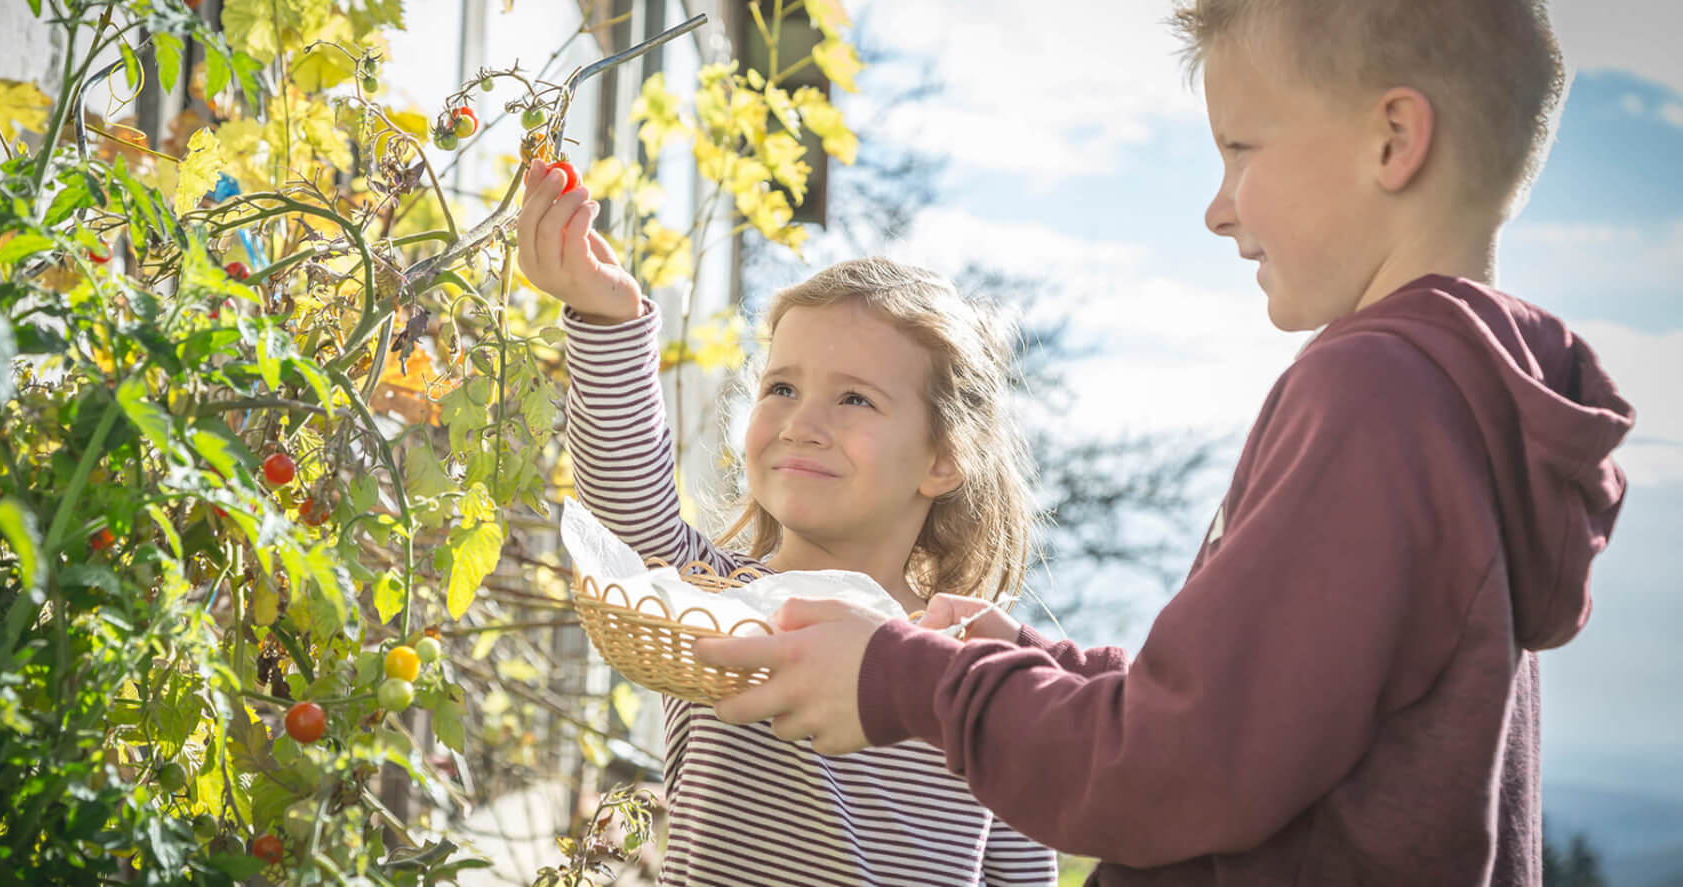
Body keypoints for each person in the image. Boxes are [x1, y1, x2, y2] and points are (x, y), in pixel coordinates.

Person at [695, 1, 1638, 884]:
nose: (1217, 207)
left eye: (1241, 149)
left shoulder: (1377, 394)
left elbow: (1181, 764)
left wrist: (900, 676)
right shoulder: (1465, 401)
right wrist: (1029, 661)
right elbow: (1248, 715)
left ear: (1393, 141)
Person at [516, 159, 1058, 886]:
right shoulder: (712, 604)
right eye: (782, 386)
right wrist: (609, 316)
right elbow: (626, 505)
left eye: (855, 400)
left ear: (943, 459)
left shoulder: (971, 682)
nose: (802, 422)